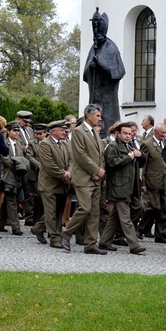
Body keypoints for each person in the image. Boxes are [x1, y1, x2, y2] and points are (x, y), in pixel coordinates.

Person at [61, 104, 106, 254]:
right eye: (97, 116)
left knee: (94, 212)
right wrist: (95, 170)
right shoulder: (79, 132)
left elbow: (100, 154)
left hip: (95, 179)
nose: (100, 118)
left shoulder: (94, 132)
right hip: (83, 178)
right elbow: (80, 155)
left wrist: (100, 171)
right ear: (89, 115)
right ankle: (66, 233)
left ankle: (91, 244)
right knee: (85, 209)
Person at [99, 122, 146, 254]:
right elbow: (112, 163)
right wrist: (129, 157)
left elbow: (142, 162)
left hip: (130, 187)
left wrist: (140, 155)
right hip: (118, 187)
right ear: (118, 133)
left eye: (129, 133)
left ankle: (104, 241)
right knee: (125, 218)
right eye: (125, 133)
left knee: (115, 217)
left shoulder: (130, 145)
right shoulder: (112, 147)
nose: (127, 136)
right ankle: (134, 245)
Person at [83, 9, 125, 137]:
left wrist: (101, 65)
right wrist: (92, 67)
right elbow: (85, 74)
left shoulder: (111, 48)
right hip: (95, 97)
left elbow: (119, 72)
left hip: (108, 99)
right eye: (94, 31)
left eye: (98, 30)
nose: (96, 34)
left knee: (109, 126)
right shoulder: (93, 48)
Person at [31, 120, 72, 248]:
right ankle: (55, 237)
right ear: (53, 132)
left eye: (65, 130)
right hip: (49, 184)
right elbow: (49, 164)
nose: (64, 132)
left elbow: (71, 160)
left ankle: (38, 228)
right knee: (50, 211)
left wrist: (69, 172)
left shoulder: (65, 144)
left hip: (63, 183)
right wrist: (63, 174)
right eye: (61, 130)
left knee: (57, 211)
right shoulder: (45, 144)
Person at [138, 122, 166, 239]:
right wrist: (143, 182)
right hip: (152, 181)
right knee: (154, 207)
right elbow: (143, 165)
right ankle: (140, 228)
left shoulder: (164, 144)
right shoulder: (147, 144)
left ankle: (160, 234)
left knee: (164, 209)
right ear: (155, 132)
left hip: (164, 181)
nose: (164, 135)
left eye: (165, 133)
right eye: (162, 133)